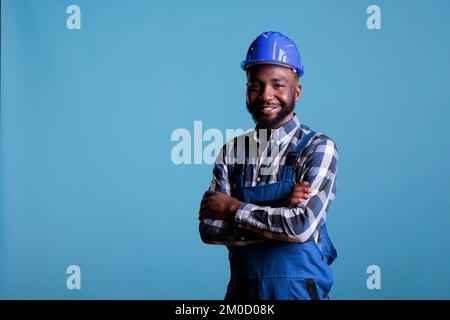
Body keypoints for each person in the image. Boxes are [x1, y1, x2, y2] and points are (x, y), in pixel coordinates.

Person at [198, 31, 338, 300]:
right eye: (256, 85)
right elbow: (209, 228)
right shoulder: (232, 152)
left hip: (298, 293)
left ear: (297, 89)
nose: (266, 95)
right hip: (242, 295)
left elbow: (301, 227)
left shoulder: (318, 148)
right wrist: (280, 209)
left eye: (278, 85)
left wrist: (232, 208)